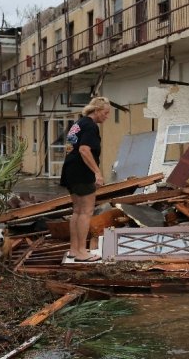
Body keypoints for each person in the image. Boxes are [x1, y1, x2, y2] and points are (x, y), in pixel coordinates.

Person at [60, 96, 110, 262]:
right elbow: (84, 150)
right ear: (96, 111)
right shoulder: (90, 126)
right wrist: (97, 172)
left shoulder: (78, 124)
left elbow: (72, 148)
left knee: (77, 211)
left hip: (70, 170)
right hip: (82, 172)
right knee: (86, 211)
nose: (107, 116)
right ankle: (82, 251)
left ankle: (74, 250)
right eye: (105, 112)